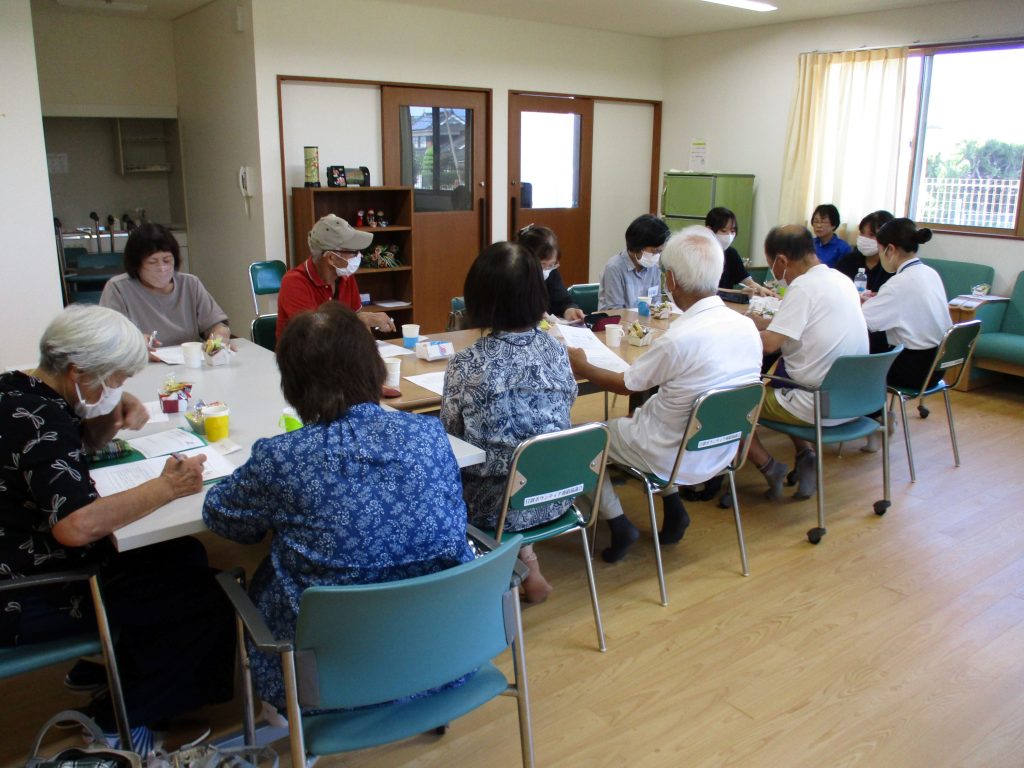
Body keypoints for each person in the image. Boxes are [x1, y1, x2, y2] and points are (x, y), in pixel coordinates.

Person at [204, 302, 473, 717]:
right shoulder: (428, 433)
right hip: (433, 651)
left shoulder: (284, 457)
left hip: (324, 677)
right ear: (373, 369)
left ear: (293, 384)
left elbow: (224, 518)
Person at [0, 305, 235, 750]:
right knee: (205, 596)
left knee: (183, 553)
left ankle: (123, 670)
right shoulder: (41, 423)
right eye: (114, 380)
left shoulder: (22, 392)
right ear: (78, 372)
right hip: (23, 590)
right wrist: (166, 487)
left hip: (20, 552)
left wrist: (104, 420)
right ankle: (120, 721)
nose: (119, 389)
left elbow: (58, 460)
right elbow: (75, 525)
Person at [567, 227, 762, 562]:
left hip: (670, 454)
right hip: (720, 450)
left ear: (670, 281)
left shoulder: (680, 337)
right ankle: (674, 510)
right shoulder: (746, 327)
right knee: (659, 417)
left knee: (577, 442)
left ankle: (619, 523)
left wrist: (581, 365)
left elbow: (627, 384)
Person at [440, 242, 577, 602]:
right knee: (517, 461)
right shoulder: (556, 349)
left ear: (478, 297)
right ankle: (529, 563)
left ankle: (468, 582)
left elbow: (450, 436)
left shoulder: (467, 363)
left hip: (494, 504)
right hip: (556, 493)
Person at [744, 226, 869, 501]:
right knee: (783, 374)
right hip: (855, 399)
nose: (777, 275)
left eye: (773, 266)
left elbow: (769, 344)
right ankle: (806, 454)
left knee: (733, 401)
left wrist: (738, 327)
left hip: (818, 403)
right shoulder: (842, 280)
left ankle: (769, 466)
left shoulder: (803, 286)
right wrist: (763, 323)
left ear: (782, 260)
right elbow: (807, 325)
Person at [100, 222, 230, 348]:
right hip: (140, 364)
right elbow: (109, 337)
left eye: (167, 260)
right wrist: (136, 343)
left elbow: (217, 325)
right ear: (137, 264)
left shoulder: (190, 284)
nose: (162, 268)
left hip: (188, 362)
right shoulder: (118, 288)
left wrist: (218, 340)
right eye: (152, 262)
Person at [276, 214, 396, 339]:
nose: (359, 256)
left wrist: (369, 351)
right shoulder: (294, 283)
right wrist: (358, 319)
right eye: (354, 252)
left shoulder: (345, 276)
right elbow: (315, 333)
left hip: (341, 355)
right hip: (305, 356)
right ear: (332, 258)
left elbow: (360, 329)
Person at [863, 219, 950, 389]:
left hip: (912, 371)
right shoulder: (930, 273)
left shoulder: (898, 283)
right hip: (937, 367)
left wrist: (861, 303)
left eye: (880, 250)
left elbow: (861, 320)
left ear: (890, 249)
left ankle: (870, 411)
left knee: (862, 341)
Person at [598, 214, 670, 310]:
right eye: (654, 251)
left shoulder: (654, 269)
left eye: (659, 252)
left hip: (645, 323)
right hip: (616, 322)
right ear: (638, 245)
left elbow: (656, 304)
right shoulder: (614, 268)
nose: (656, 256)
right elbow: (615, 311)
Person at [517, 224, 585, 322]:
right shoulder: (513, 277)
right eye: (542, 265)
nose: (546, 270)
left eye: (551, 264)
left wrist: (569, 309)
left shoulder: (551, 272)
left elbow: (562, 300)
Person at [705, 207, 777, 296]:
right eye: (724, 230)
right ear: (709, 230)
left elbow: (748, 282)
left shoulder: (731, 254)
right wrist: (738, 292)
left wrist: (760, 289)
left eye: (732, 231)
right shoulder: (700, 254)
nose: (729, 235)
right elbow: (704, 290)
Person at [835, 210, 896, 295]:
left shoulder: (892, 268)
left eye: (871, 235)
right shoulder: (848, 260)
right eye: (862, 233)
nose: (864, 238)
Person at [810, 203, 852, 268]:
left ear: (834, 225)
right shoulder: (809, 244)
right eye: (816, 221)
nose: (819, 225)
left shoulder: (843, 248)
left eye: (823, 222)